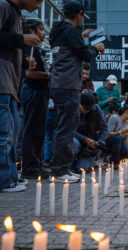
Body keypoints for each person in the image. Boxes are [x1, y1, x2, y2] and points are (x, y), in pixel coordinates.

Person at [49, 0, 104, 183]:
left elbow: (71, 48)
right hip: (68, 85)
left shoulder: (59, 30)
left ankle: (59, 168)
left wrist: (82, 37)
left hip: (59, 84)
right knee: (66, 128)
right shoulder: (71, 31)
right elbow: (85, 54)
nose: (82, 19)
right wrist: (96, 48)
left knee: (63, 127)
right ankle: (59, 170)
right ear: (79, 14)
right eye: (82, 16)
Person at [0, 0, 42, 192]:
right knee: (4, 136)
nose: (39, 5)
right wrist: (22, 40)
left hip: (11, 85)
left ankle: (10, 177)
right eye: (38, 0)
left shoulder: (17, 14)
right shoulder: (3, 6)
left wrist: (25, 62)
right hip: (2, 83)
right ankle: (4, 181)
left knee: (13, 135)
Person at [20, 19, 50, 179]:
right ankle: (30, 168)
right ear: (31, 31)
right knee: (32, 131)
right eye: (40, 29)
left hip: (40, 92)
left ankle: (37, 165)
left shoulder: (36, 49)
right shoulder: (29, 47)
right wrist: (50, 76)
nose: (43, 32)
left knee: (39, 132)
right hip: (33, 91)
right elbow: (30, 73)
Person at [73, 93, 108, 172]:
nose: (87, 111)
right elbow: (69, 130)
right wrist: (85, 139)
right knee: (74, 143)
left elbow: (105, 128)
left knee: (82, 169)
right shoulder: (72, 109)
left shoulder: (96, 109)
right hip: (76, 139)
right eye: (85, 108)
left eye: (89, 109)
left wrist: (98, 142)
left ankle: (88, 160)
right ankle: (69, 164)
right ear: (79, 104)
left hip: (90, 144)